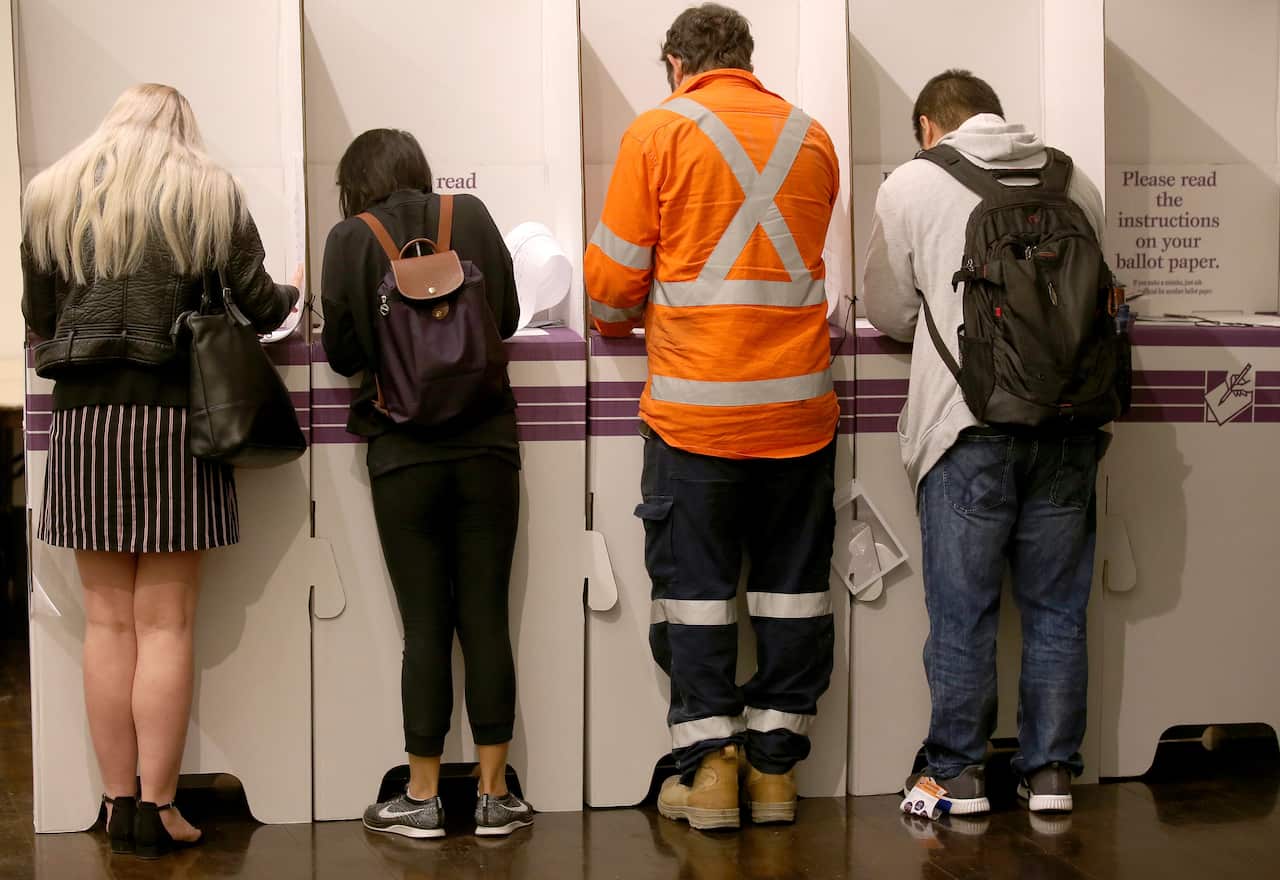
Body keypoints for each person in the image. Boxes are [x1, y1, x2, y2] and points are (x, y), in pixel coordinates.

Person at [21, 83, 299, 858]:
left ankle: (116, 806)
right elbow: (260, 304)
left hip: (84, 423)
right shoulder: (207, 193)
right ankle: (160, 807)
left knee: (107, 625)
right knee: (166, 624)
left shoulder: (51, 196)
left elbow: (39, 321)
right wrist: (296, 289)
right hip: (176, 421)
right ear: (183, 129)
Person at [586, 3, 840, 831]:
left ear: (675, 63)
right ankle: (774, 776)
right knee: (791, 595)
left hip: (695, 418)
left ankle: (712, 773)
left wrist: (626, 316)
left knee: (695, 598)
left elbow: (607, 290)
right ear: (747, 59)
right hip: (799, 415)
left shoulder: (656, 133)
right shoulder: (812, 137)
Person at [862, 70, 1108, 816]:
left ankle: (959, 776)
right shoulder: (1075, 181)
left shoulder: (912, 183)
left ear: (931, 128)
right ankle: (1052, 775)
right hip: (1068, 426)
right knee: (1058, 609)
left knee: (962, 610)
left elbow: (887, 309)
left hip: (965, 428)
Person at [320, 129, 533, 839]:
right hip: (488, 449)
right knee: (487, 618)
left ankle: (421, 797)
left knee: (425, 629)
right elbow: (503, 319)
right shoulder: (468, 217)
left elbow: (344, 354)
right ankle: (496, 797)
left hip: (402, 455)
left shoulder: (349, 239)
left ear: (355, 183)